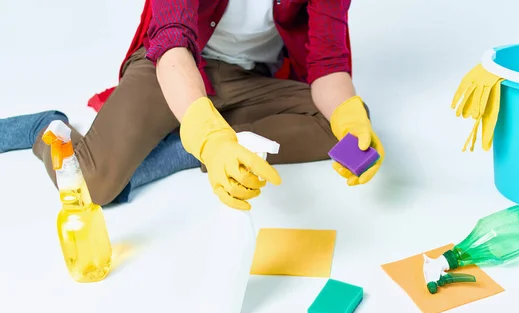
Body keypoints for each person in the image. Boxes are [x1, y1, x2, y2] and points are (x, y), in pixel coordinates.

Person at [4, 0, 385, 210]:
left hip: (250, 80)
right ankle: (43, 128)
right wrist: (212, 138)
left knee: (338, 125)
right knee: (92, 186)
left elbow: (328, 66)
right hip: (173, 67)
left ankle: (193, 146)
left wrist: (348, 117)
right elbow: (171, 45)